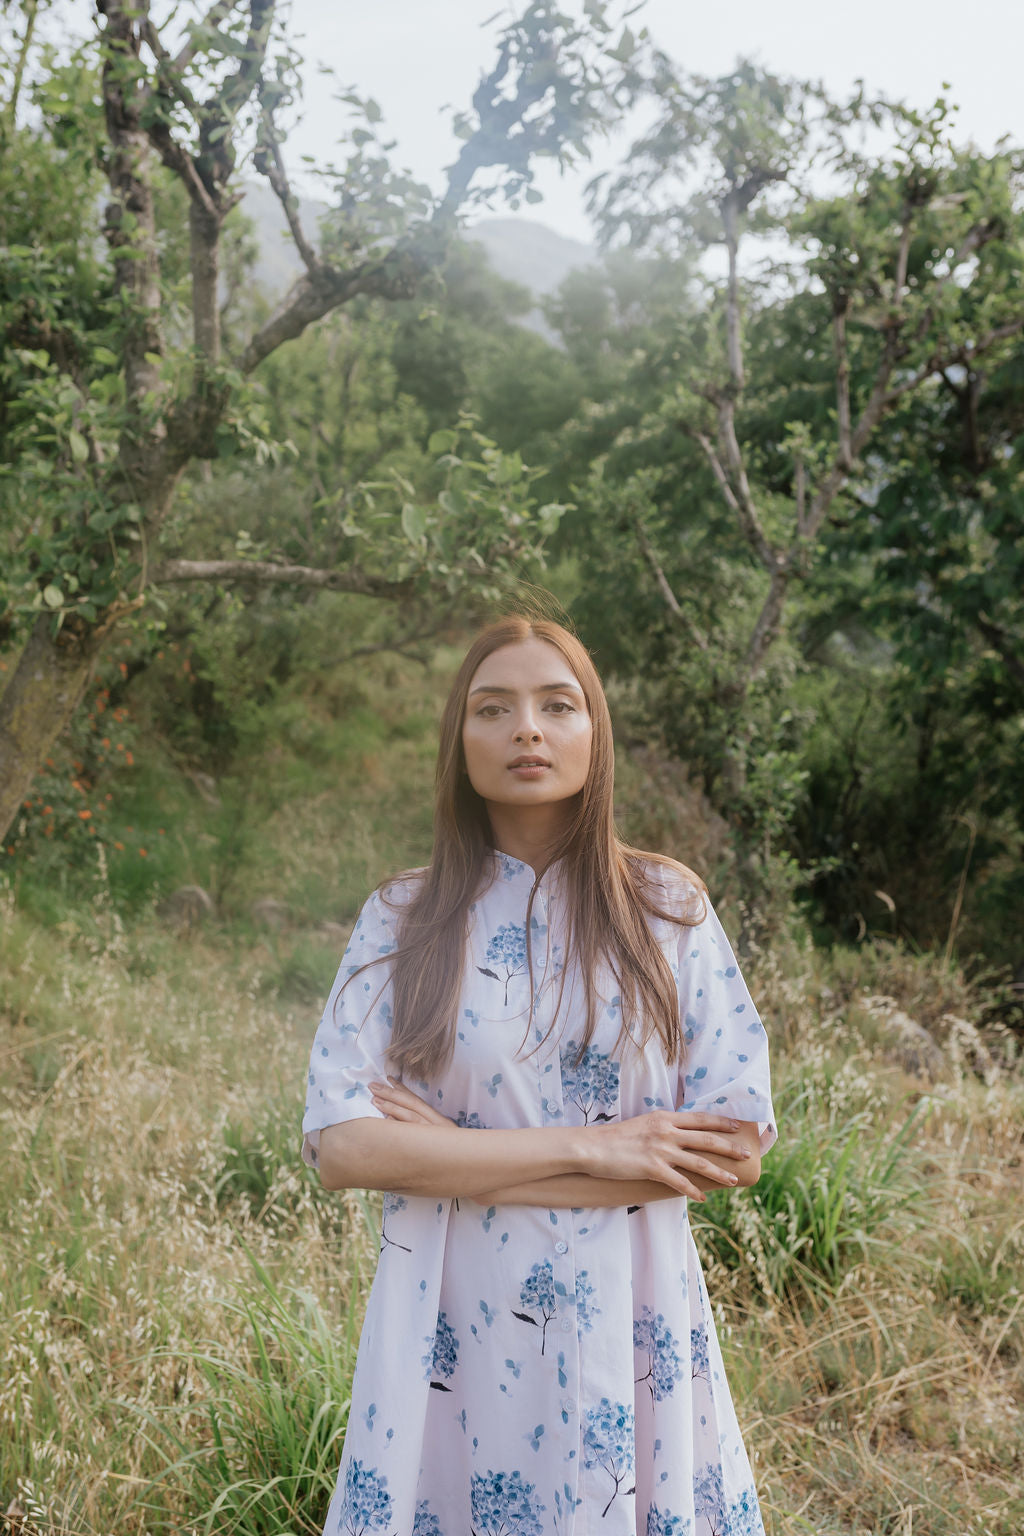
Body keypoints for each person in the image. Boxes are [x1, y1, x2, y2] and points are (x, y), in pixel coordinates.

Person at [302, 614, 777, 1536]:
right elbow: (345, 1147)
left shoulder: (667, 910)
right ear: (459, 740)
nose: (528, 728)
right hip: (451, 1320)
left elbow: (731, 1151)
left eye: (558, 705)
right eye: (495, 708)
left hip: (632, 1313)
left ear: (595, 733)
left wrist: (444, 1154)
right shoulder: (401, 918)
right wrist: (602, 1150)